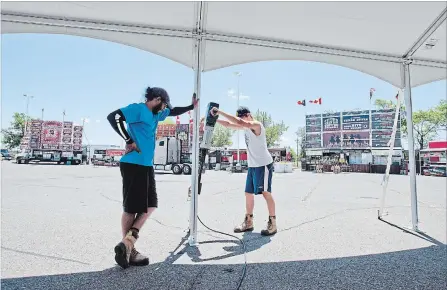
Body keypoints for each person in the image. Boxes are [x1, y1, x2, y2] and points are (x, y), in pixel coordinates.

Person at [107, 86, 196, 269]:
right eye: (163, 105)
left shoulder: (156, 115)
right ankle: (129, 250)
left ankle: (128, 243)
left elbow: (173, 111)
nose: (165, 109)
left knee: (151, 205)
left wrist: (191, 106)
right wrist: (128, 140)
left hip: (146, 165)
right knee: (131, 208)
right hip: (133, 163)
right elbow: (113, 117)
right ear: (156, 99)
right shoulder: (138, 109)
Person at [210, 106, 277, 236]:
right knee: (248, 193)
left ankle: (273, 224)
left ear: (248, 115)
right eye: (239, 118)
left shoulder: (257, 125)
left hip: (263, 165)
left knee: (266, 193)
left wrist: (220, 111)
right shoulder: (245, 127)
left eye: (242, 117)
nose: (240, 120)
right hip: (253, 166)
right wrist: (214, 119)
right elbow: (229, 124)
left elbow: (240, 123)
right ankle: (249, 222)